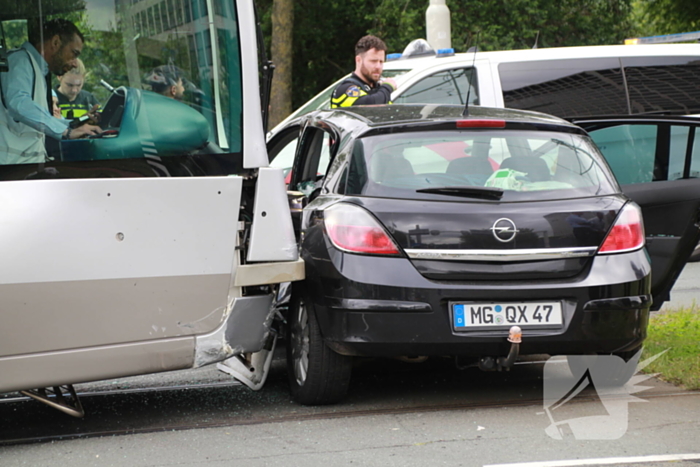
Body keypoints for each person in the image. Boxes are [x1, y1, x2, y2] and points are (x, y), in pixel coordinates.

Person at [0, 18, 102, 165]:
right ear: (55, 43)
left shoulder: (36, 69)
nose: (74, 63)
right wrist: (66, 132)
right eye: (74, 54)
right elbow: (19, 104)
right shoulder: (20, 61)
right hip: (11, 173)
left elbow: (34, 119)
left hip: (22, 169)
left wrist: (74, 124)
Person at [330, 35, 397, 109]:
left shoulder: (379, 90)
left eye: (381, 62)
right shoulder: (346, 88)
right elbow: (369, 106)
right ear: (358, 60)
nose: (378, 66)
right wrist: (388, 87)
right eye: (373, 61)